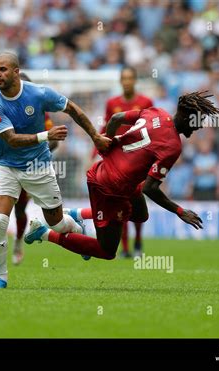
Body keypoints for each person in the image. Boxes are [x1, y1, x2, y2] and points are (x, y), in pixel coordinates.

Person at [25, 92, 219, 260]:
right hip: (108, 186)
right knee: (107, 250)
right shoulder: (172, 146)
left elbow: (115, 119)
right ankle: (44, 233)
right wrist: (180, 211)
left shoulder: (157, 112)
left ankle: (77, 214)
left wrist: (105, 146)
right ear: (188, 118)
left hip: (117, 177)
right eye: (198, 121)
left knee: (140, 215)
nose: (198, 126)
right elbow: (150, 189)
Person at [0, 52, 111, 288]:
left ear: (16, 71)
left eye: (3, 69)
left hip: (37, 166)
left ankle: (75, 224)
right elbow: (11, 139)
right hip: (6, 166)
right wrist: (46, 136)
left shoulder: (39, 93)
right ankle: (1, 278)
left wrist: (95, 136)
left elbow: (72, 108)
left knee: (57, 224)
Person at [0, 72, 58, 267]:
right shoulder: (2, 105)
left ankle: (18, 243)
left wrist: (38, 149)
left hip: (29, 166)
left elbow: (54, 140)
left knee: (19, 210)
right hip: (3, 164)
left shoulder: (41, 111)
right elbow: (3, 133)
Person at [94, 66, 153, 258]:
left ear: (135, 80)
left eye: (130, 78)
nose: (127, 81)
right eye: (124, 78)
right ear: (120, 81)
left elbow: (151, 128)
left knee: (136, 200)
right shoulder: (113, 103)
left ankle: (137, 241)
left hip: (139, 158)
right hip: (118, 160)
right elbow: (106, 126)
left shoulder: (145, 102)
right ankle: (126, 248)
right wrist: (95, 148)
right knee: (121, 202)